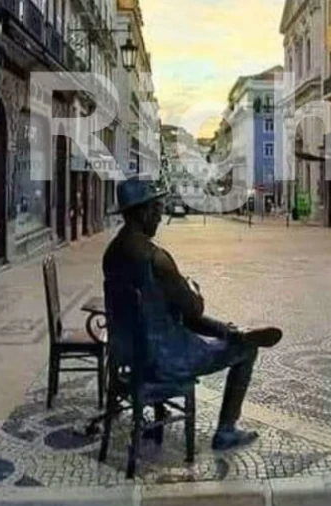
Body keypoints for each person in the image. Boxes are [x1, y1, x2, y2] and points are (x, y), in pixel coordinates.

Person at [103, 177, 282, 450]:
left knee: (190, 320)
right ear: (142, 212)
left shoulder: (112, 253)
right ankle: (225, 430)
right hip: (165, 358)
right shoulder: (156, 258)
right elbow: (194, 309)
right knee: (246, 352)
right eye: (157, 209)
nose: (160, 216)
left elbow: (168, 309)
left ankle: (231, 332)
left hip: (128, 351)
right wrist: (194, 289)